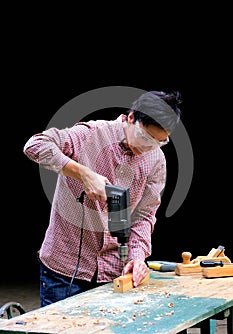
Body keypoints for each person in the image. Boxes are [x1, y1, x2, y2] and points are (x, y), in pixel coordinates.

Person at [23, 90, 182, 307]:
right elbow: (35, 145)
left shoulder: (156, 161)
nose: (147, 147)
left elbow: (144, 215)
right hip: (65, 269)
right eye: (145, 138)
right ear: (132, 117)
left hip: (114, 272)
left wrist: (137, 256)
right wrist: (83, 174)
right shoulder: (91, 134)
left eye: (158, 143)